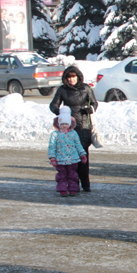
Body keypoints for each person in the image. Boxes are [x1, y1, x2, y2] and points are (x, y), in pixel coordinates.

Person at [49, 65, 97, 193]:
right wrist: (58, 112)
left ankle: (86, 185)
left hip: (84, 125)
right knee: (70, 158)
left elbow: (94, 103)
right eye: (69, 77)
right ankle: (72, 185)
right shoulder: (62, 90)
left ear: (78, 77)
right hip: (68, 126)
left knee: (83, 156)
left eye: (73, 77)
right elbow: (53, 104)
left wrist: (90, 109)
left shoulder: (86, 88)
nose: (71, 80)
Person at [48, 107, 87, 197]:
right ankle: (62, 189)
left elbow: (78, 144)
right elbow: (51, 146)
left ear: (69, 124)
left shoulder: (73, 133)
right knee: (62, 175)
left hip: (72, 159)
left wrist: (82, 154)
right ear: (59, 124)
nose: (64, 126)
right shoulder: (55, 134)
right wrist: (52, 157)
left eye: (66, 124)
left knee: (72, 175)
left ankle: (73, 189)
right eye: (62, 124)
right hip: (60, 159)